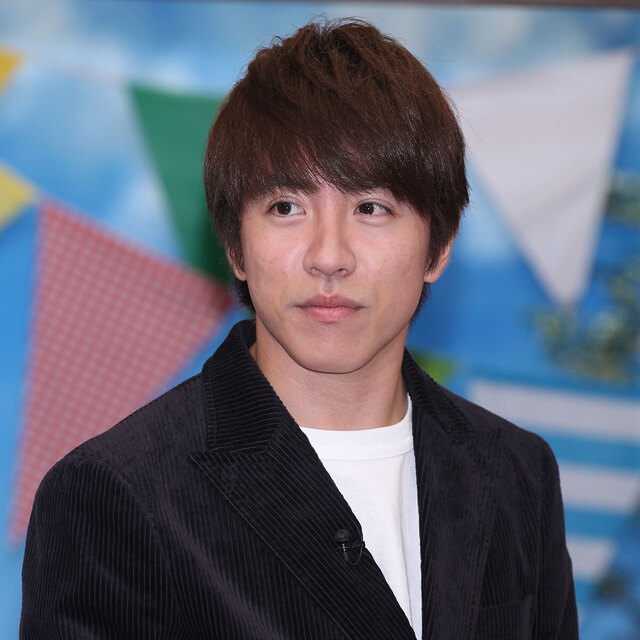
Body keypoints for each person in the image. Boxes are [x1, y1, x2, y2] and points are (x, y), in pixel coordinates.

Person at [21, 18, 578, 640]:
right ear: (235, 245)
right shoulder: (114, 495)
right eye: (286, 207)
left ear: (439, 245)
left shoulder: (517, 473)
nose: (329, 256)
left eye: (371, 208)